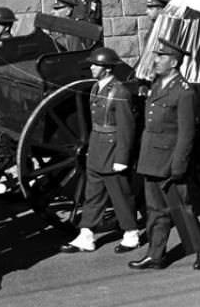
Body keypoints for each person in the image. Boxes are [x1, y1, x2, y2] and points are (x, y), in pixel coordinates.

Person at [129, 38, 200, 270]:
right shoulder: (158, 84)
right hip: (150, 159)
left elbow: (187, 134)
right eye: (157, 56)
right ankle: (155, 255)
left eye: (162, 57)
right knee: (155, 211)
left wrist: (178, 166)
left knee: (182, 209)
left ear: (174, 63)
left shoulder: (184, 92)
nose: (156, 60)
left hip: (169, 162)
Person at [62, 47, 141, 254]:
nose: (91, 67)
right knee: (93, 194)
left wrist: (122, 157)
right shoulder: (97, 87)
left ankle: (131, 233)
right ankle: (86, 234)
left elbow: (126, 127)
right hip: (98, 148)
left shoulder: (120, 91)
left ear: (106, 69)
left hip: (113, 149)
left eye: (95, 65)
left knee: (120, 195)